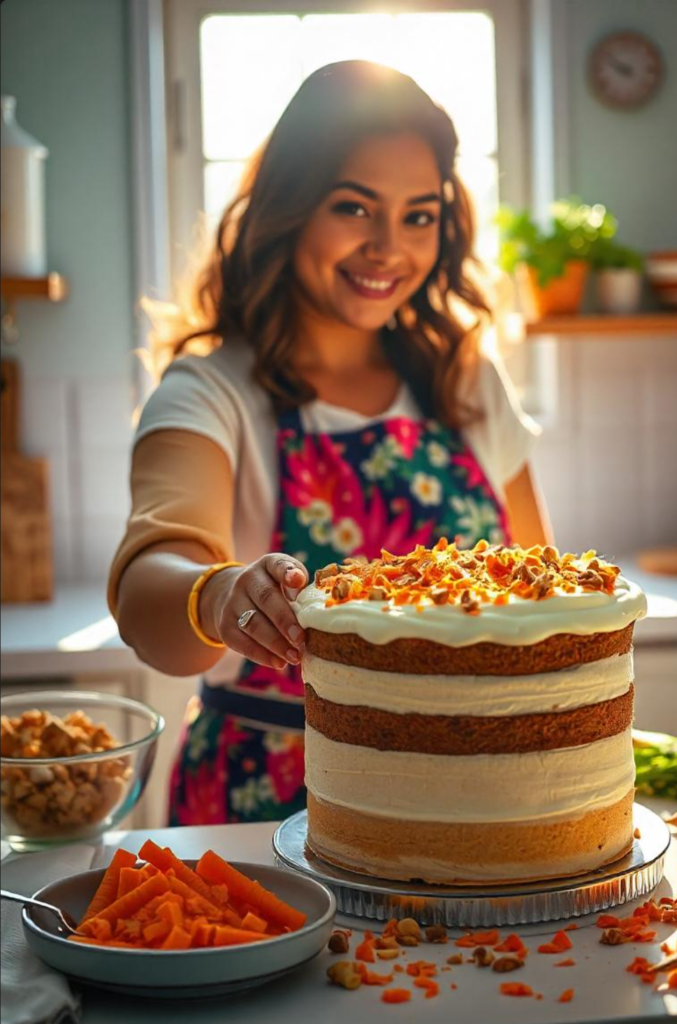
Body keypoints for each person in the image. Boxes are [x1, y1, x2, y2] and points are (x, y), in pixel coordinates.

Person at [108, 60, 553, 827]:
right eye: (354, 207)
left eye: (419, 214)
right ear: (291, 208)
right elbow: (151, 579)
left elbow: (541, 599)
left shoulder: (465, 381)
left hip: (468, 802)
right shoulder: (210, 392)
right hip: (266, 807)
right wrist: (217, 595)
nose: (389, 247)